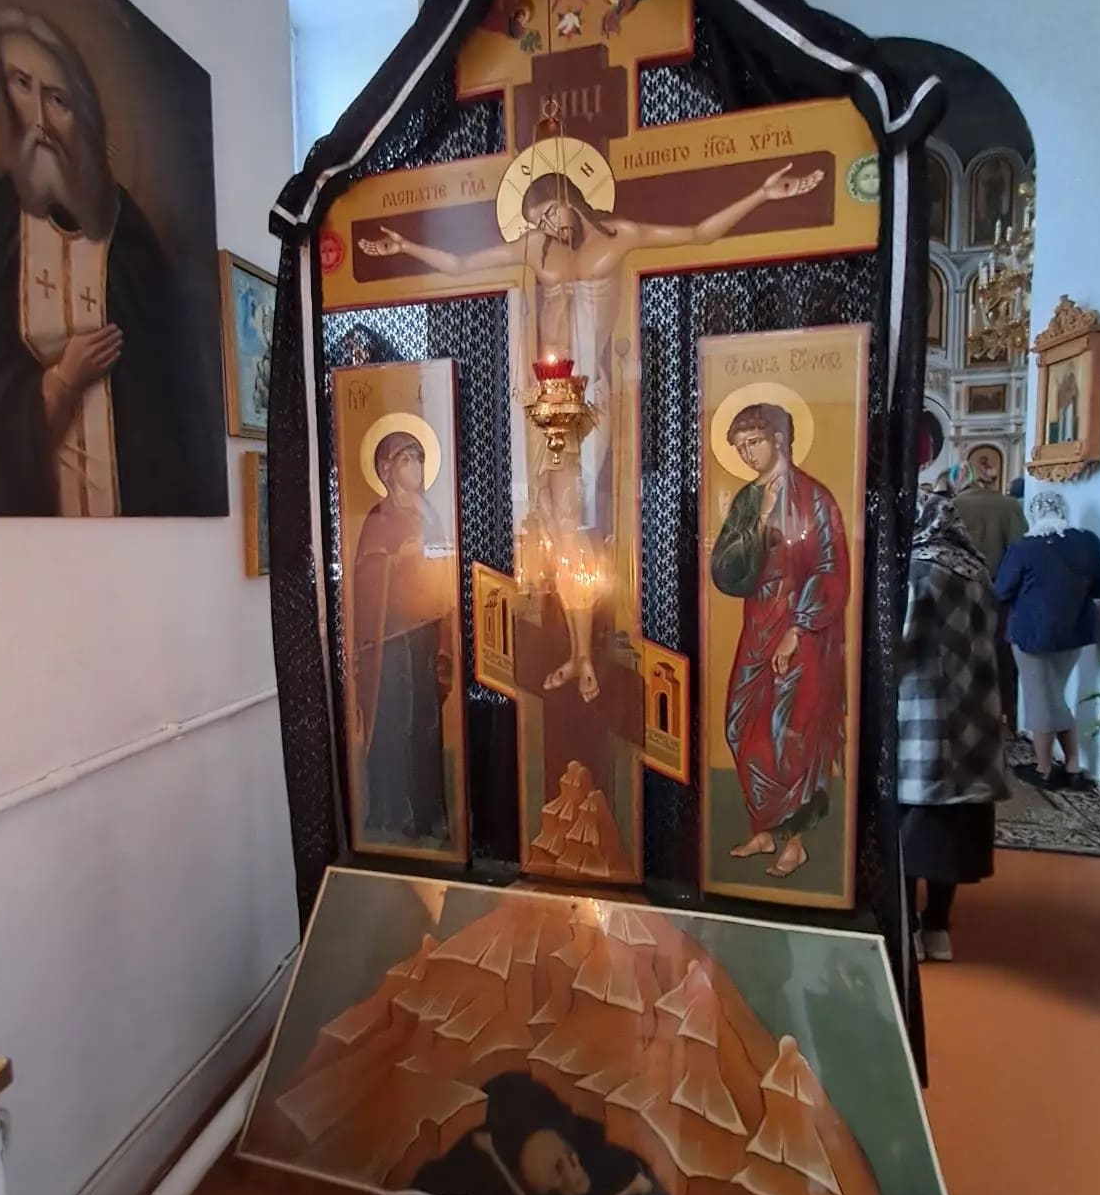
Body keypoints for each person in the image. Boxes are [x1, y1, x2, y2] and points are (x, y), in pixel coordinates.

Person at [360, 159, 823, 702]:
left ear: (570, 197)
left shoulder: (619, 235)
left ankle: (585, 648)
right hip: (541, 401)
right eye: (538, 220)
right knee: (559, 524)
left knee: (573, 519)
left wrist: (762, 193)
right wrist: (406, 247)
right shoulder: (536, 248)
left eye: (550, 212)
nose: (548, 225)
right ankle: (578, 648)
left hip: (586, 400)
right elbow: (462, 263)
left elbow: (698, 232)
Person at [0, 8, 222, 516]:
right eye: (21, 85)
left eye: (57, 99)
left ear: (85, 116)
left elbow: (172, 409)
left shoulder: (128, 239)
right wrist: (62, 380)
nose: (39, 122)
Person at [711, 402, 850, 879]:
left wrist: (798, 628)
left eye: (754, 442)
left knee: (790, 733)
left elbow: (832, 569)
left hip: (802, 631)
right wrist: (754, 527)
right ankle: (764, 829)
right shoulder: (747, 500)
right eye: (740, 447)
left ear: (779, 439)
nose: (748, 454)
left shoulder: (815, 498)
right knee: (740, 725)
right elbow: (725, 569)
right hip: (758, 625)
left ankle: (796, 843)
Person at [898, 494, 1007, 962]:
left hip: (921, 716)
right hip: (973, 713)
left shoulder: (918, 569)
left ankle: (905, 930)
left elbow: (900, 642)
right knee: (950, 830)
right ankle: (938, 929)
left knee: (909, 829)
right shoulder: (975, 568)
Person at [352, 431, 454, 844]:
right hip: (392, 637)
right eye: (407, 460)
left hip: (425, 629)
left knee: (426, 721)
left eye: (419, 458)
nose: (416, 467)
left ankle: (427, 813)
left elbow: (444, 558)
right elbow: (366, 575)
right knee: (397, 718)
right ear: (386, 470)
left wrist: (433, 557)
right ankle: (395, 812)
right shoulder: (379, 519)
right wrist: (397, 560)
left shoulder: (430, 514)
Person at [994, 489, 1100, 789]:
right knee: (1054, 697)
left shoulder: (1024, 548)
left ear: (1034, 513)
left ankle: (1044, 769)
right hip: (1075, 632)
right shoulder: (1088, 541)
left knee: (1040, 701)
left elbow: (1002, 590)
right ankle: (1072, 766)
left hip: (1031, 633)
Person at [949, 460, 1027, 730]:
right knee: (1001, 655)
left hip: (960, 590)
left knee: (963, 652)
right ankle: (1006, 717)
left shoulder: (953, 506)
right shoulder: (1010, 506)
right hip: (1000, 592)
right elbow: (1020, 550)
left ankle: (966, 715)